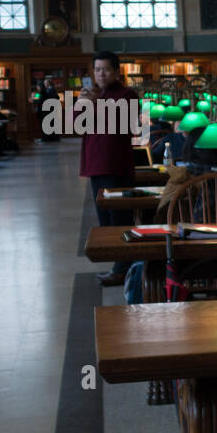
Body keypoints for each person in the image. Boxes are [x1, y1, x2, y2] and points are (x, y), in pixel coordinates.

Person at [79, 50, 139, 285]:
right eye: (97, 70)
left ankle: (123, 268)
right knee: (105, 221)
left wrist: (96, 103)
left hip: (116, 165)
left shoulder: (128, 95)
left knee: (119, 219)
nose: (101, 74)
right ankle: (123, 263)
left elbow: (125, 124)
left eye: (105, 69)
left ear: (116, 71)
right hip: (96, 164)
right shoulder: (93, 94)